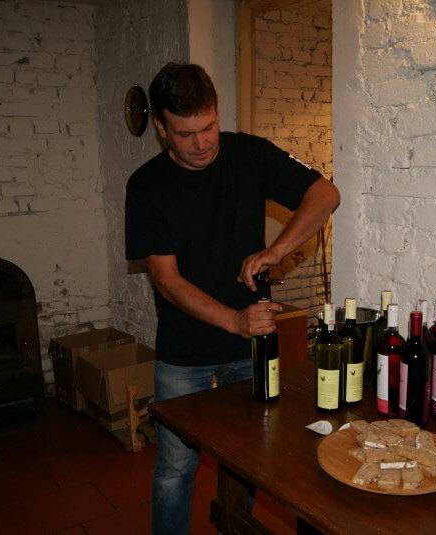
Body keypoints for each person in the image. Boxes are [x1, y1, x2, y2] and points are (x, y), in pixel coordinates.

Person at [124, 62, 340, 534]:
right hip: (185, 353)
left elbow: (325, 194)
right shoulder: (146, 186)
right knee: (175, 470)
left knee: (252, 461)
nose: (202, 143)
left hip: (251, 350)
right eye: (185, 134)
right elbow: (166, 279)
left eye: (208, 126)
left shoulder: (248, 154)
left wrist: (277, 249)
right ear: (161, 128)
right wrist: (235, 321)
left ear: (217, 112)